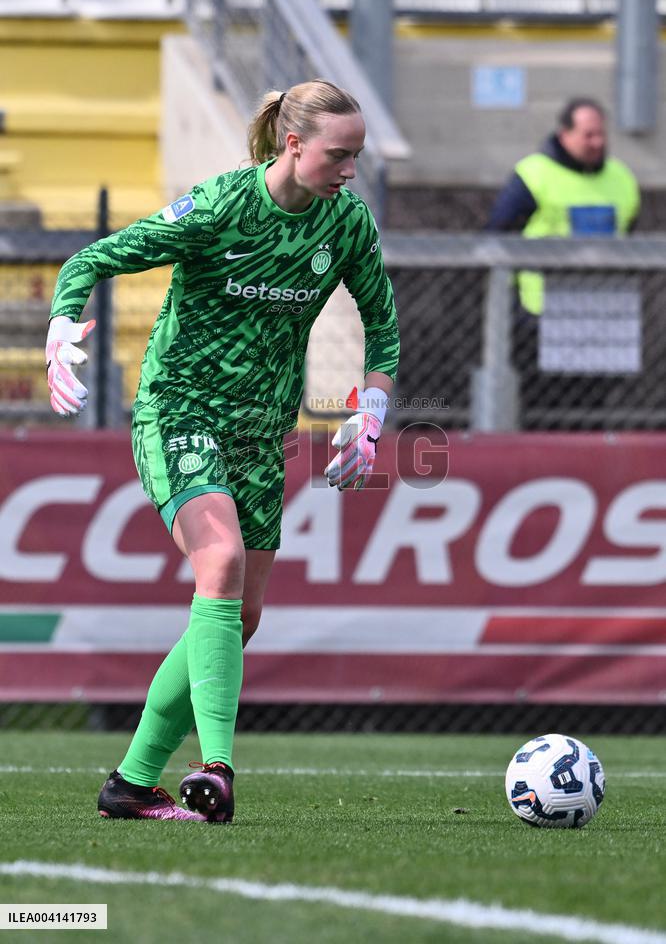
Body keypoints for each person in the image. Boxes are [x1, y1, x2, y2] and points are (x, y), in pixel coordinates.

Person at [45, 79, 399, 823]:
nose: (350, 170)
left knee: (240, 614)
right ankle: (217, 767)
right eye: (339, 154)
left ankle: (133, 784)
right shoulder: (220, 206)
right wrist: (62, 325)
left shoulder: (347, 225)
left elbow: (384, 331)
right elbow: (93, 261)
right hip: (179, 413)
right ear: (292, 143)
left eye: (358, 155)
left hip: (259, 436)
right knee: (223, 564)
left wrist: (369, 413)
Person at [486, 97, 640, 316]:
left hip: (607, 307)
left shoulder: (622, 177)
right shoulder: (534, 174)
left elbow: (631, 236)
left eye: (601, 134)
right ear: (565, 134)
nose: (597, 142)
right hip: (539, 308)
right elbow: (497, 235)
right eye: (588, 135)